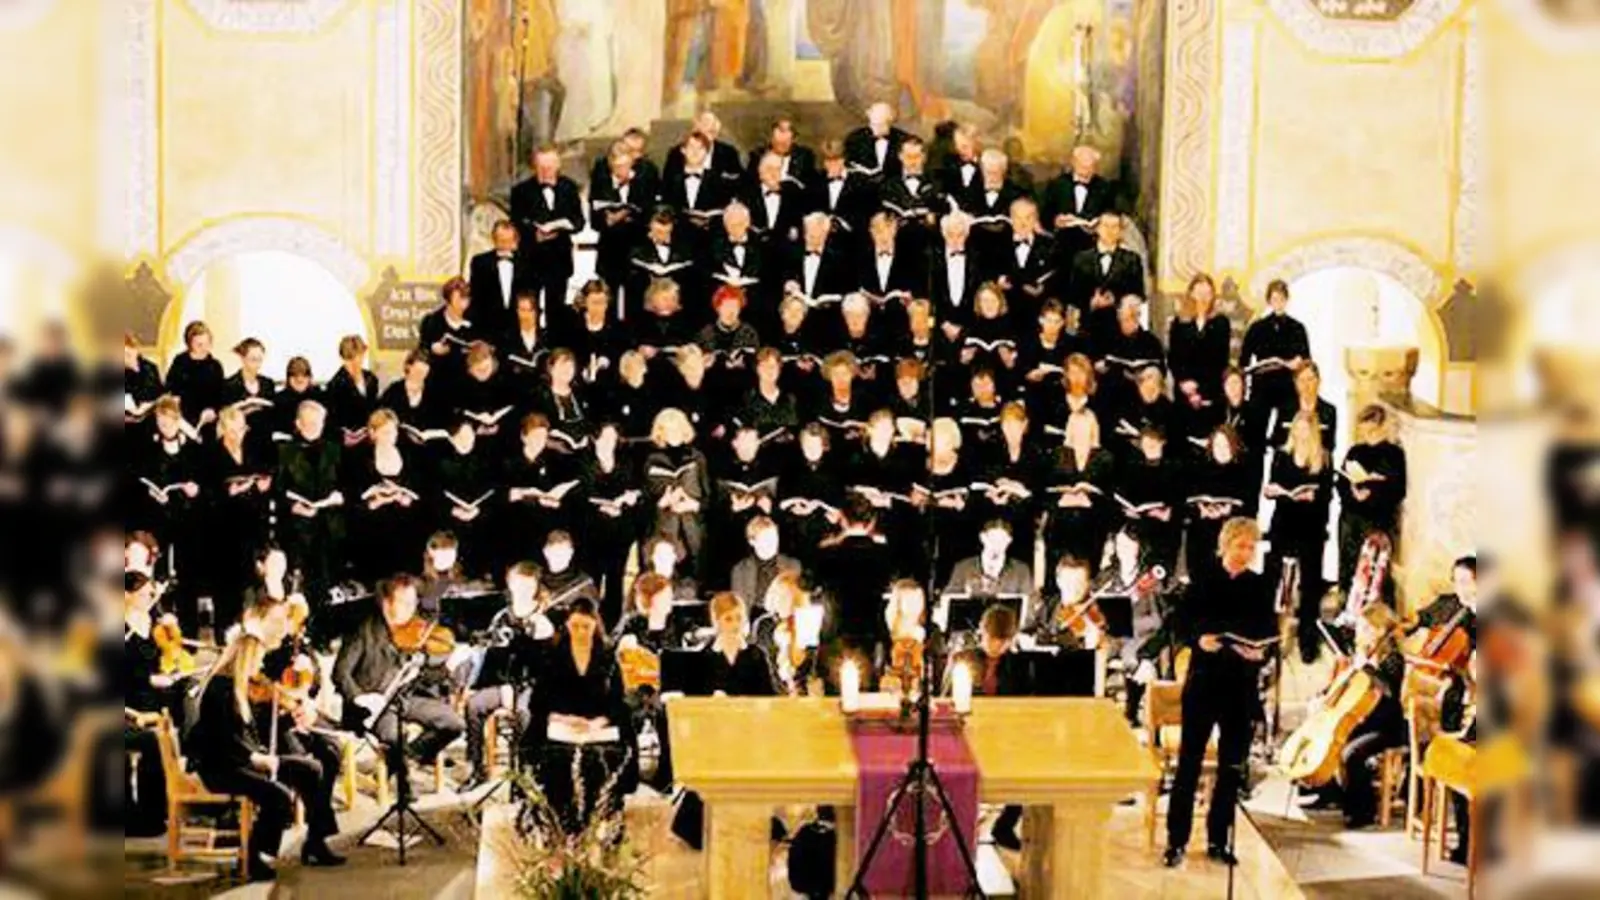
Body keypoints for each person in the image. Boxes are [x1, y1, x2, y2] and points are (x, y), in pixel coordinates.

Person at [1163, 518, 1277, 868]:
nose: (1246, 553)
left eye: (1251, 547)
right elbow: (1179, 623)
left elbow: (1269, 632)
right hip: (1204, 681)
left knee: (1231, 768)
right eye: (1241, 546)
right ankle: (1176, 841)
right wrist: (1199, 640)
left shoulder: (1259, 586)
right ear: (1225, 545)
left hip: (1240, 685)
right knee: (1189, 764)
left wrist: (1261, 653)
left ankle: (1218, 839)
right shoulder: (1202, 579)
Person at [188, 635, 344, 882]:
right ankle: (251, 857)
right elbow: (223, 740)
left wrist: (288, 720)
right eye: (258, 660)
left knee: (312, 769)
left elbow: (253, 731)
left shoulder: (238, 688)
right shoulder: (220, 690)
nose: (260, 667)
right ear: (245, 658)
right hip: (223, 767)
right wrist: (256, 758)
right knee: (278, 795)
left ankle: (316, 841)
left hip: (243, 759)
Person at [333, 574, 466, 802]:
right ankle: (404, 780)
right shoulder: (364, 630)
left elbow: (430, 677)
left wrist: (442, 668)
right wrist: (359, 697)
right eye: (404, 603)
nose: (411, 609)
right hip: (374, 707)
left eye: (413, 603)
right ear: (387, 603)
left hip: (405, 698)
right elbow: (340, 672)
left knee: (454, 723)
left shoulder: (416, 632)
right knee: (395, 736)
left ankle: (409, 759)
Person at [527, 596, 637, 833]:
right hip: (561, 725)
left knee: (603, 756)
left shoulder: (607, 658)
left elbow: (617, 700)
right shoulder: (552, 656)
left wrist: (601, 721)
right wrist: (562, 719)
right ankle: (564, 823)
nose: (579, 632)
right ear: (567, 625)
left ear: (595, 626)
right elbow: (539, 701)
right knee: (558, 758)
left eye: (585, 626)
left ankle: (602, 818)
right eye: (574, 626)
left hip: (597, 727)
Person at [1297, 603, 1408, 828]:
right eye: (1360, 627)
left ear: (1379, 630)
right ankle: (1330, 791)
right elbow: (1346, 687)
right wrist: (1324, 697)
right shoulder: (1362, 654)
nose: (1359, 632)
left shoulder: (1393, 659)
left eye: (1365, 628)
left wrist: (1367, 668)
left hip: (1385, 726)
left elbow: (1389, 691)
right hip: (1363, 720)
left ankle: (1363, 810)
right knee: (1327, 740)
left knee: (1351, 753)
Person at [461, 561, 554, 791]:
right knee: (474, 705)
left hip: (532, 686)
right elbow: (492, 657)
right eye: (517, 584)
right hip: (505, 683)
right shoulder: (502, 617)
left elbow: (545, 667)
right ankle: (477, 768)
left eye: (527, 585)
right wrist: (481, 683)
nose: (521, 590)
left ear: (536, 586)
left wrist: (544, 634)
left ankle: (522, 773)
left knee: (524, 713)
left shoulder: (544, 619)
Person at [1267, 409, 1335, 663]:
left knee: (1310, 585)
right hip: (1284, 524)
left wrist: (1313, 496)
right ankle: (1271, 637)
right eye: (1299, 429)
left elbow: (1327, 495)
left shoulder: (1323, 458)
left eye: (1307, 430)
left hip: (1311, 527)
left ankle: (1308, 640)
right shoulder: (1282, 456)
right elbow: (1272, 486)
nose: (1302, 434)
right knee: (1276, 582)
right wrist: (1274, 491)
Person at [509, 146, 586, 339]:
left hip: (559, 257)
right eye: (541, 167)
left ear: (558, 165)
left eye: (549, 167)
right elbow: (516, 222)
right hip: (531, 258)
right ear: (534, 166)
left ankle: (555, 345)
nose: (545, 171)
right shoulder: (521, 191)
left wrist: (563, 227)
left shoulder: (569, 188)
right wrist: (534, 234)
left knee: (557, 307)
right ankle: (530, 344)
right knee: (529, 305)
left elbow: (579, 221)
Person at [1336, 405, 1409, 594]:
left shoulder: (1394, 454)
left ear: (1382, 427)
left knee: (1374, 569)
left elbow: (1398, 490)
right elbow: (1342, 482)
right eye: (1364, 430)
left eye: (1372, 430)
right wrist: (1353, 492)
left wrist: (1372, 492)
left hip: (1377, 518)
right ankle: (1345, 597)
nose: (1367, 435)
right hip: (1351, 516)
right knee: (1348, 564)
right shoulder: (1356, 451)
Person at [1239, 279, 1310, 416]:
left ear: (1287, 300)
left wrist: (1296, 363)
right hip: (1262, 386)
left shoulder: (1297, 328)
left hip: (1288, 386)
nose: (1278, 303)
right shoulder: (1257, 328)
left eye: (1282, 299)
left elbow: (1306, 360)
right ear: (1269, 301)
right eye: (1275, 299)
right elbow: (1243, 361)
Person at [703, 592, 780, 696]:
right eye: (728, 619)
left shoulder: (756, 655)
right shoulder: (704, 657)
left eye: (739, 618)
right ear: (716, 621)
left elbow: (768, 695)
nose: (735, 624)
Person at [729, 515, 802, 612]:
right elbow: (740, 609)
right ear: (752, 541)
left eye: (774, 537)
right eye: (765, 539)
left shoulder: (793, 566)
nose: (772, 543)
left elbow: (797, 604)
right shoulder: (740, 570)